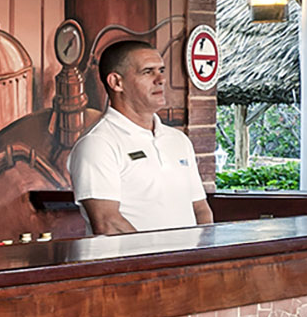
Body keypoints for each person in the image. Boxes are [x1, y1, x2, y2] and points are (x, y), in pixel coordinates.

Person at [71, 38, 211, 235]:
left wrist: (203, 250)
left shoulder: (179, 140)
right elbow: (107, 223)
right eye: (147, 71)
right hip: (137, 257)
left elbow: (200, 209)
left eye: (161, 70)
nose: (161, 79)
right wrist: (160, 255)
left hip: (186, 256)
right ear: (116, 82)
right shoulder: (98, 143)